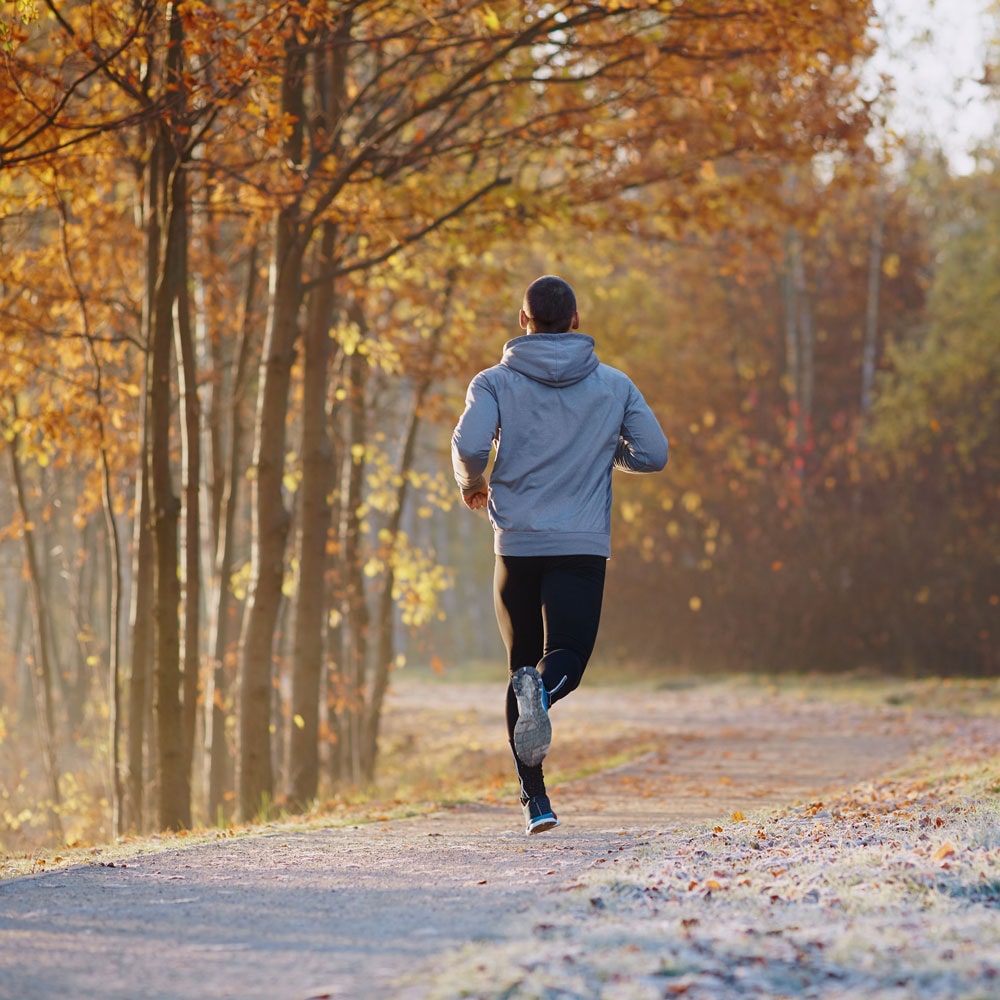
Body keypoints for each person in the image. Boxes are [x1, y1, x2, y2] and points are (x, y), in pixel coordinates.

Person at [451, 274, 669, 835]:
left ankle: (536, 800)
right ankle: (543, 695)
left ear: (523, 322)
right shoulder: (614, 385)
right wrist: (606, 451)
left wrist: (472, 483)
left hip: (517, 542)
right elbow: (654, 453)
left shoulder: (493, 382)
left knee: (521, 662)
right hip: (579, 543)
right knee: (565, 653)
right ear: (575, 321)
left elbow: (470, 445)